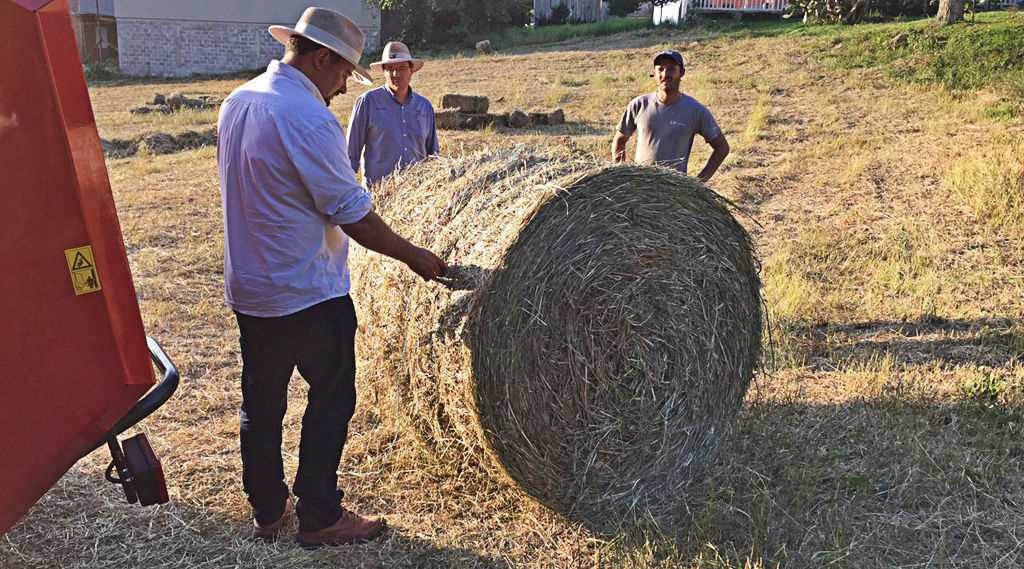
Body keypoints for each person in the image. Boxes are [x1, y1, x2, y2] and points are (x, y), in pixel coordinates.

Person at [216, 7, 446, 547]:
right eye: (344, 73)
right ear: (321, 58)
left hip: (251, 288)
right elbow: (351, 210)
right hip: (307, 290)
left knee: (262, 402)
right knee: (333, 397)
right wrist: (413, 254)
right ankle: (319, 515)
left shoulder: (238, 101)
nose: (344, 87)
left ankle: (269, 512)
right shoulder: (307, 115)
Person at [612, 50, 730, 182]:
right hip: (640, 189)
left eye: (671, 69)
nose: (665, 74)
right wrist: (621, 177)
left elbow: (722, 148)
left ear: (682, 72)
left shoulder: (696, 110)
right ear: (654, 73)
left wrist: (698, 184)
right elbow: (620, 140)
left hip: (675, 193)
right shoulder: (639, 104)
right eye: (660, 69)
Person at [347, 41, 439, 187]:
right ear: (384, 72)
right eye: (390, 69)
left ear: (411, 70)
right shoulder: (367, 102)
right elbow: (350, 154)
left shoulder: (424, 107)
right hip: (378, 194)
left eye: (401, 68)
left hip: (418, 196)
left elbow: (434, 156)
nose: (395, 74)